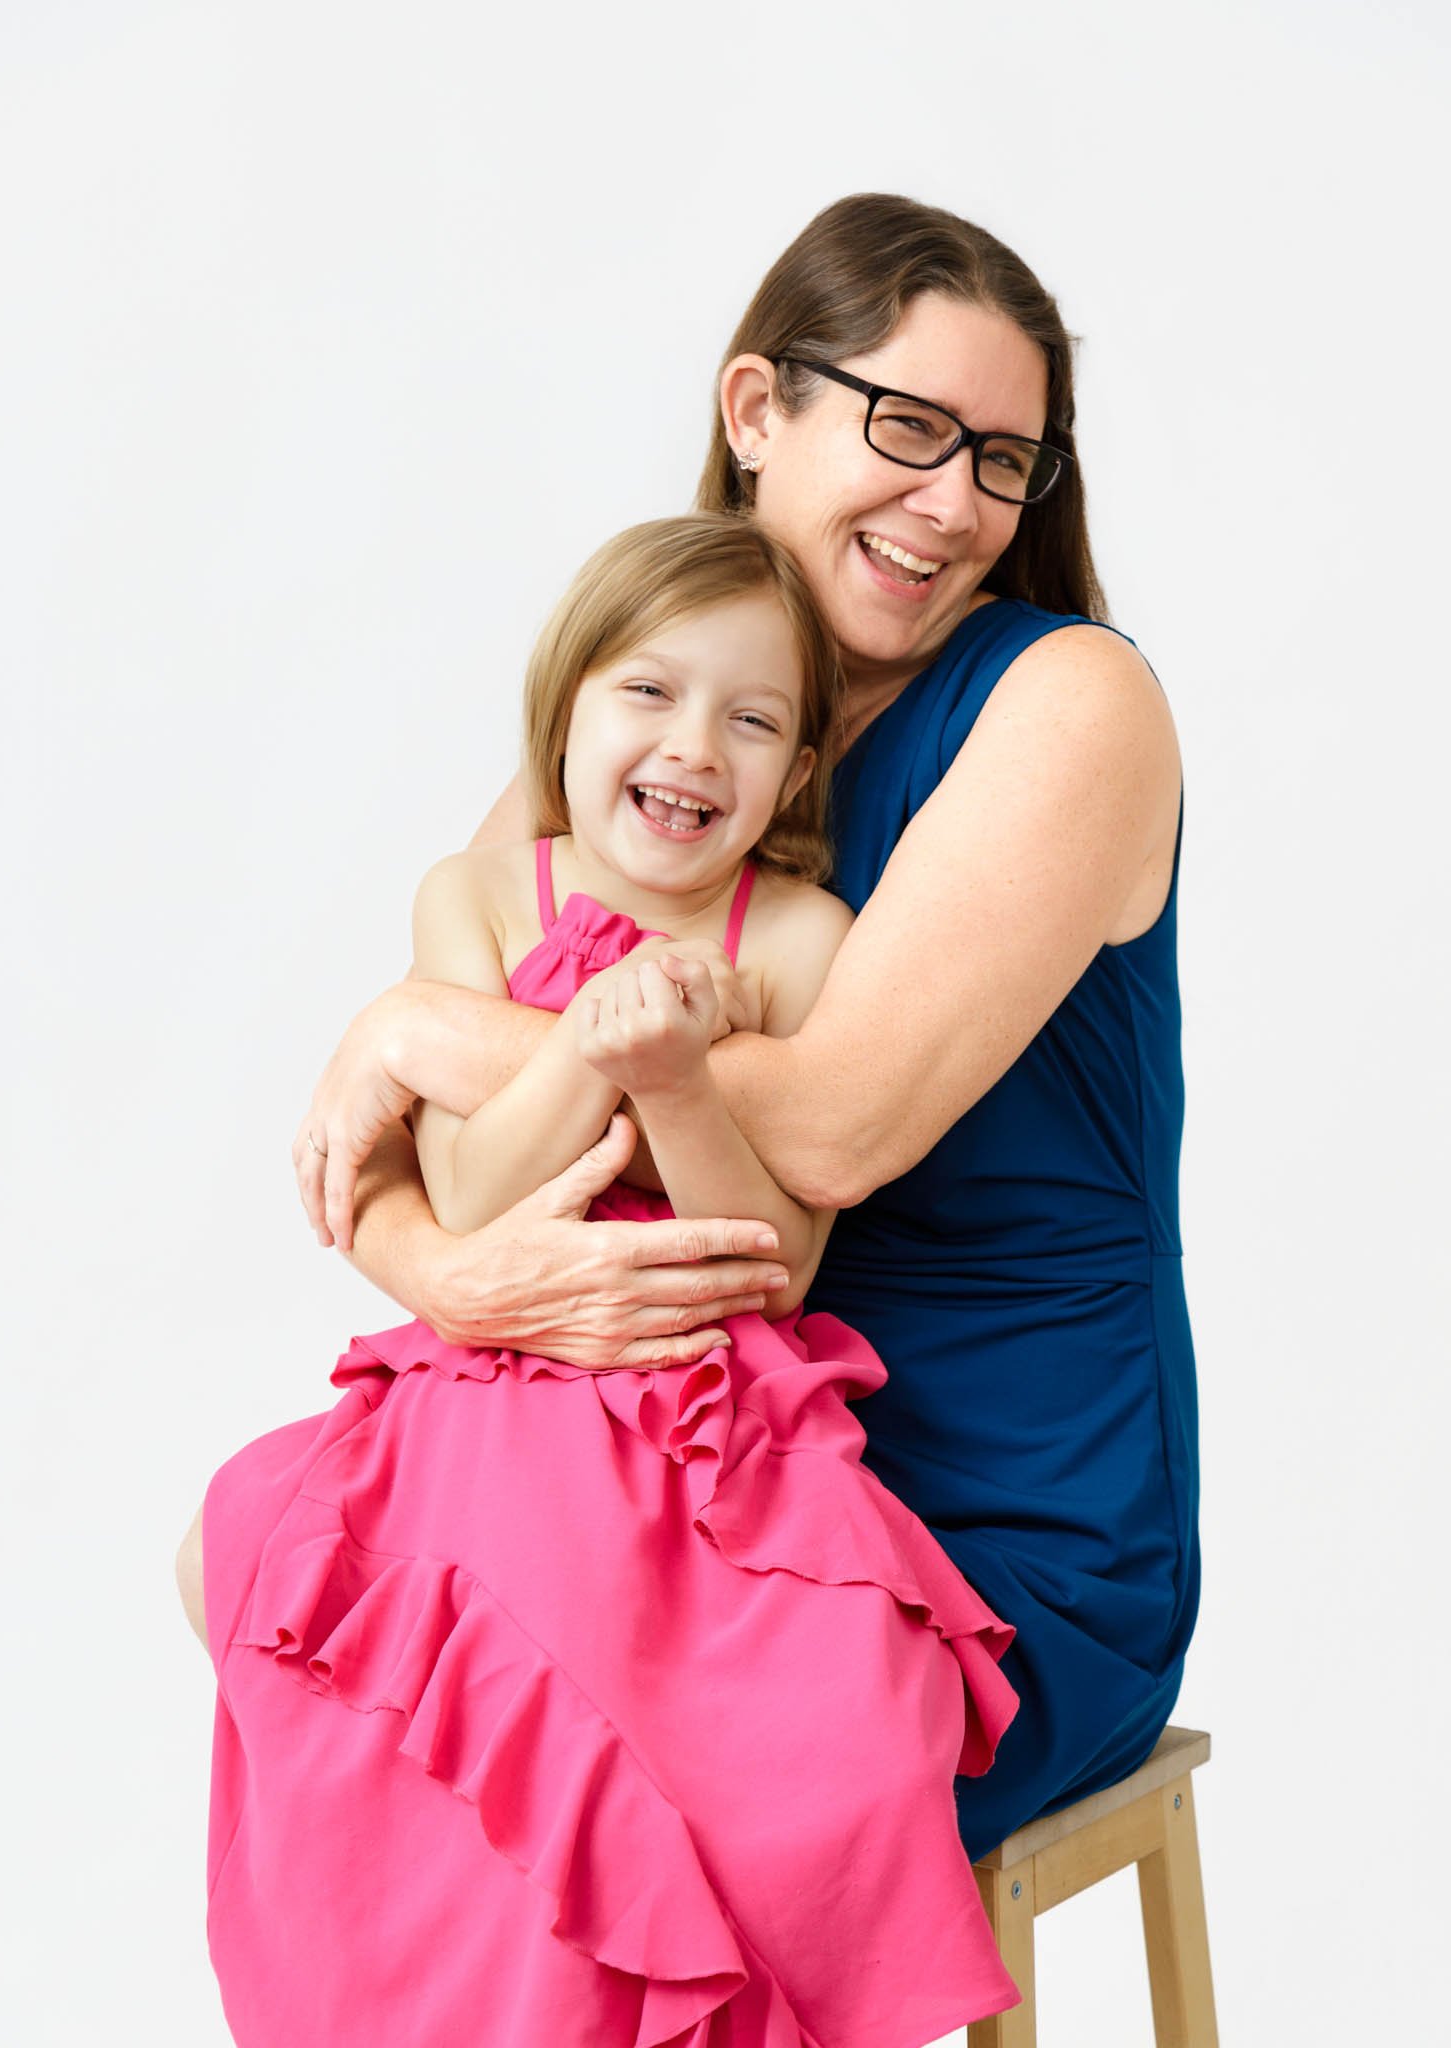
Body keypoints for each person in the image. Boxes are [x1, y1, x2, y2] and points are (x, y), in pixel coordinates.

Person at [265, 191, 1200, 1866]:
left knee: (562, 1744)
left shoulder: (1072, 702)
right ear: (758, 408)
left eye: (1004, 460)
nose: (956, 503)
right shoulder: (658, 702)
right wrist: (442, 1271)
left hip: (976, 1512)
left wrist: (409, 1027)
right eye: (910, 428)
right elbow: (403, 1146)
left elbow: (830, 1129)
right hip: (649, 1460)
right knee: (282, 1591)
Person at [188, 514, 1024, 2046]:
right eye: (651, 693)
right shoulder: (484, 899)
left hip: (708, 1409)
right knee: (350, 1600)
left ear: (791, 778)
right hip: (494, 1374)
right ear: (570, 706)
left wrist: (684, 1079)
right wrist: (585, 1042)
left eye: (754, 721)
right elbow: (470, 1189)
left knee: (786, 1726)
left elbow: (777, 1269)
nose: (695, 746)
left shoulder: (795, 939)